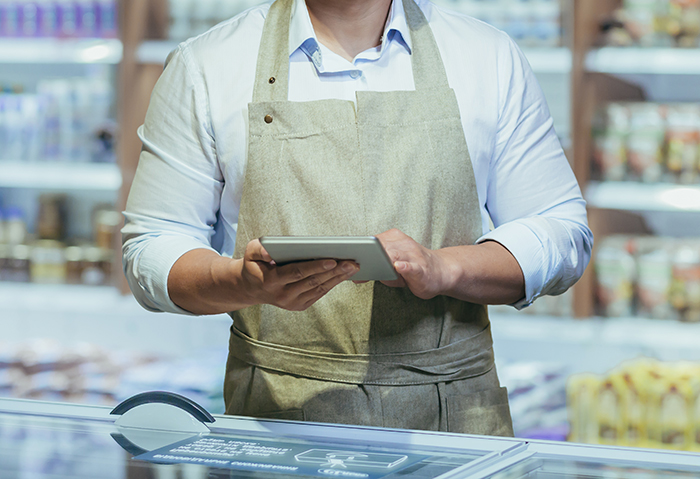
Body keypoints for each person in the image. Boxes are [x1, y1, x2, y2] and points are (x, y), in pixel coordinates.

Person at [122, 0, 593, 436]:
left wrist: (445, 268)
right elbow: (153, 245)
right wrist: (240, 283)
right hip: (277, 426)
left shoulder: (486, 57)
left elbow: (560, 229)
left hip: (454, 423)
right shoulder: (205, 65)